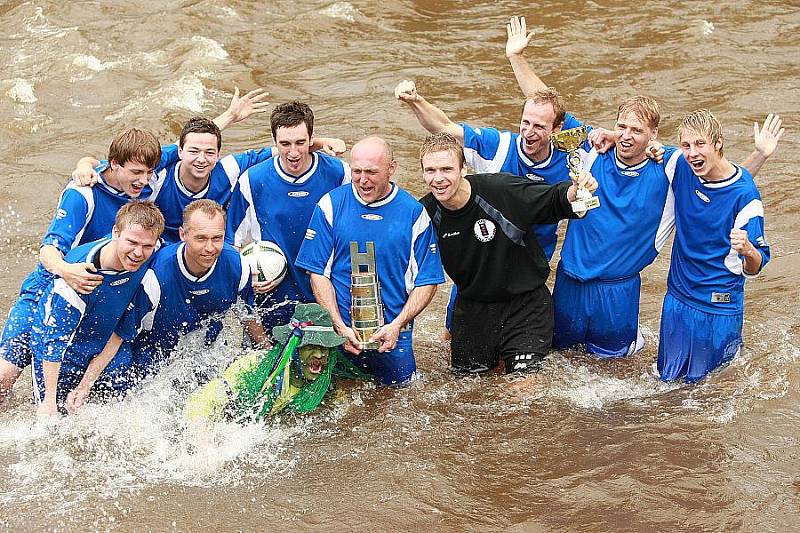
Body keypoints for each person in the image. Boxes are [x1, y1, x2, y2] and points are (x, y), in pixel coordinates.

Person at [0, 128, 164, 401]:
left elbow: (186, 149)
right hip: (52, 286)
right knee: (6, 374)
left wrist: (228, 118)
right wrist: (66, 270)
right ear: (115, 164)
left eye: (148, 173)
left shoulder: (144, 177)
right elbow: (48, 250)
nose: (143, 181)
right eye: (136, 173)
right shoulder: (82, 194)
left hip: (95, 295)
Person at [417, 132, 597, 374]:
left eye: (446, 169)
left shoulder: (501, 190)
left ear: (463, 168)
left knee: (522, 388)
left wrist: (576, 191)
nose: (438, 179)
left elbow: (553, 199)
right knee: (470, 391)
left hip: (524, 306)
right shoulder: (424, 214)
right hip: (473, 309)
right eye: (430, 170)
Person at [295, 136, 444, 386]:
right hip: (342, 335)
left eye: (372, 172)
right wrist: (339, 326)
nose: (363, 180)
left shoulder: (413, 213)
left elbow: (427, 281)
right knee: (339, 404)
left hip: (394, 337)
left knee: (399, 405)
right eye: (357, 171)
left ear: (392, 168)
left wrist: (397, 325)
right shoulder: (331, 205)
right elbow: (318, 273)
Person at [657, 110, 774, 382]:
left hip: (717, 309)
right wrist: (610, 134)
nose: (692, 152)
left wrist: (747, 250)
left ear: (718, 143)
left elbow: (757, 266)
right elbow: (640, 141)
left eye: (700, 144)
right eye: (686, 145)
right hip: (677, 300)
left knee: (709, 394)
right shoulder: (681, 163)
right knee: (664, 385)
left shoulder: (747, 198)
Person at [226, 101, 351, 334]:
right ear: (274, 142)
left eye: (300, 143)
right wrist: (247, 275)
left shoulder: (340, 174)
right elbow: (229, 242)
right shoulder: (252, 181)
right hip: (273, 300)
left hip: (329, 297)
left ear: (312, 139)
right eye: (285, 144)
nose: (293, 152)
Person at [30, 201, 165, 416]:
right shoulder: (79, 276)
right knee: (51, 421)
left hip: (102, 343)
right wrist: (49, 401)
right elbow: (54, 342)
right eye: (131, 242)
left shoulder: (150, 264)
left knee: (126, 407)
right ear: (115, 233)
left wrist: (85, 386)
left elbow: (121, 333)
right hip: (60, 351)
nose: (138, 253)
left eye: (147, 246)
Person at [128, 199, 268, 380]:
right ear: (182, 234)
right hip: (156, 359)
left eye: (217, 238)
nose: (210, 248)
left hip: (207, 354)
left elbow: (247, 314)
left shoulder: (238, 266)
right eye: (201, 238)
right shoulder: (156, 276)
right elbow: (125, 332)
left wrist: (267, 352)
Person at [183, 303, 371, 422]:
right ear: (293, 348)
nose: (320, 354)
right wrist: (206, 447)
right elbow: (200, 403)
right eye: (310, 346)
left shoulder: (323, 380)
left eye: (325, 347)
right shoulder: (253, 366)